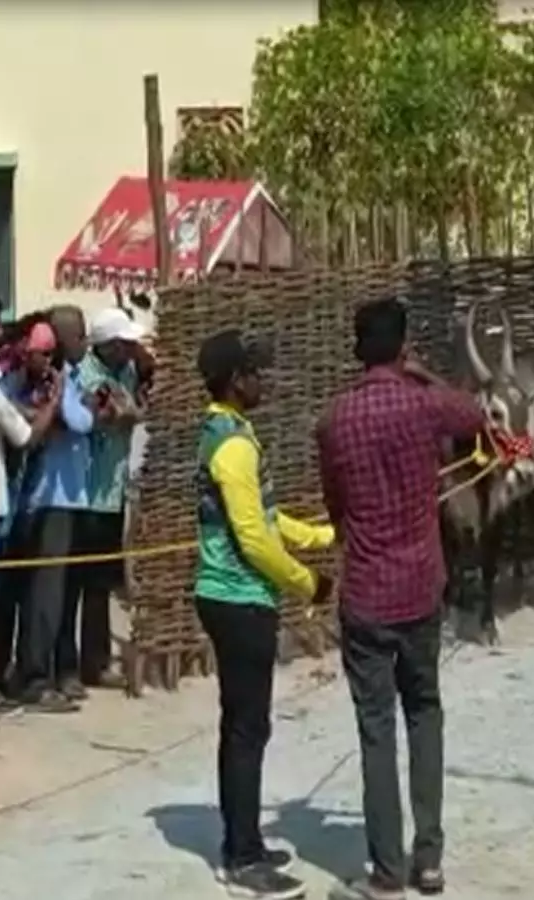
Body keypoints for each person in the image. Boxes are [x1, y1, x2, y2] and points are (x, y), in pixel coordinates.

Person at [316, 299, 486, 900]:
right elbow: (475, 415)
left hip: (365, 592)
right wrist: (425, 375)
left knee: (376, 730)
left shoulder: (335, 421)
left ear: (358, 349)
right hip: (420, 587)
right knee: (425, 712)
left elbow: (336, 508)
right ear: (405, 345)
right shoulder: (423, 405)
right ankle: (430, 859)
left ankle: (386, 874)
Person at [192, 329, 335, 899]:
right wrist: (308, 582)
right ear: (233, 381)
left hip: (234, 595)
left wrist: (322, 533)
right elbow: (253, 539)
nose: (263, 380)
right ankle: (243, 857)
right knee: (247, 729)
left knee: (246, 726)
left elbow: (266, 518)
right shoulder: (232, 446)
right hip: (237, 597)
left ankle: (243, 839)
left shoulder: (232, 434)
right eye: (254, 372)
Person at [0, 319, 96, 713]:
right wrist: (57, 402)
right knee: (42, 593)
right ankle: (35, 678)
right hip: (47, 500)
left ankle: (48, 671)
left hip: (69, 497)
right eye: (76, 336)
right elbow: (78, 420)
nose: (83, 342)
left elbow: (83, 421)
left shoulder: (68, 378)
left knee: (55, 594)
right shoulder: (25, 382)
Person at [0, 320, 61, 701]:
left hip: (8, 504)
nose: (49, 360)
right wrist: (54, 404)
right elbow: (27, 437)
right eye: (43, 352)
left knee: (5, 596)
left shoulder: (4, 387)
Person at [74, 308, 147, 692]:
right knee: (87, 584)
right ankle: (85, 662)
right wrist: (126, 413)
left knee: (103, 580)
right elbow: (111, 415)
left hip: (113, 489)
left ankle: (95, 658)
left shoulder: (127, 371)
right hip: (88, 492)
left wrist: (129, 412)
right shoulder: (87, 374)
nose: (130, 349)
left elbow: (133, 410)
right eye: (125, 343)